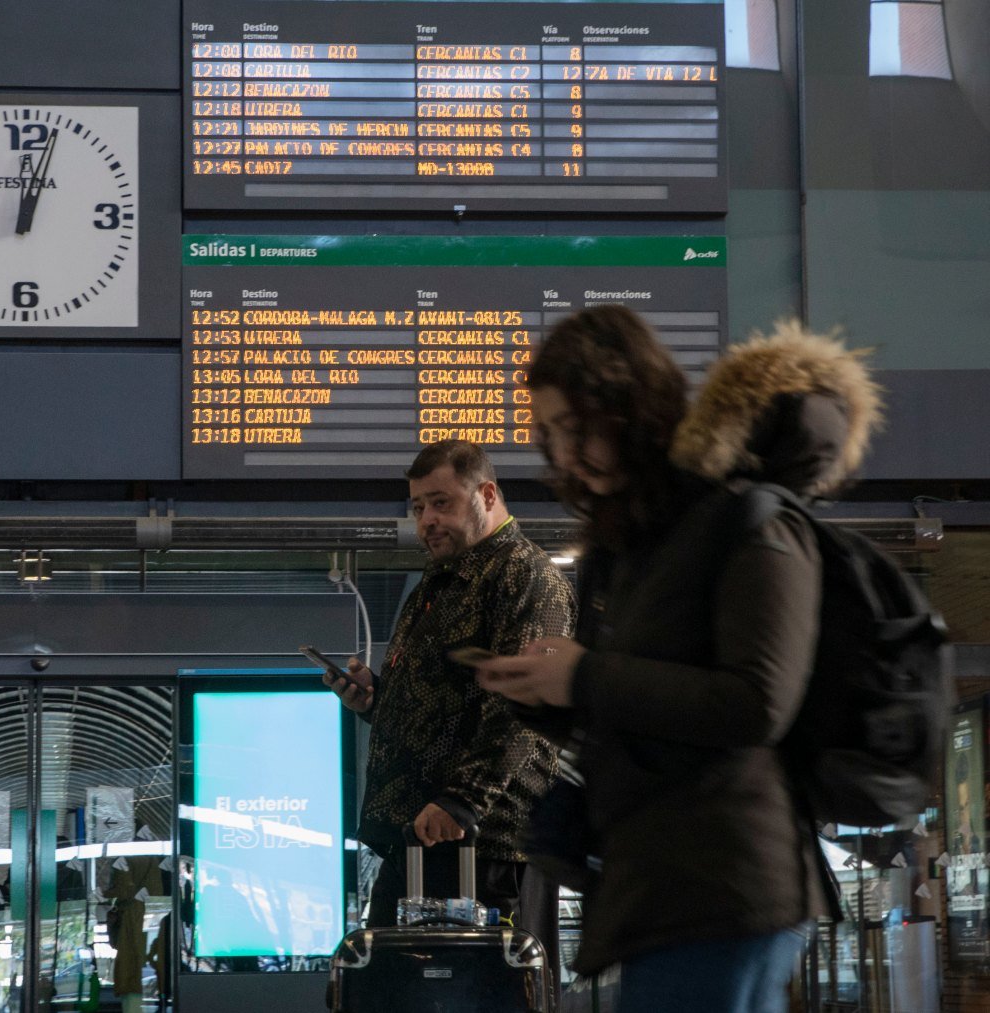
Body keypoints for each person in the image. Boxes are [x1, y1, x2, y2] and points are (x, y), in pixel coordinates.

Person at [476, 310, 863, 1012]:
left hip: (725, 885)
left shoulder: (745, 518)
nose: (564, 455)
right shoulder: (630, 546)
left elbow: (756, 702)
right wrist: (549, 696)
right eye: (550, 432)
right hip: (666, 889)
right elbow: (645, 717)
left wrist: (584, 675)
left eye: (577, 425)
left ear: (632, 405)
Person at [326, 440, 574, 959]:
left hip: (487, 844)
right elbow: (441, 705)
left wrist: (462, 800)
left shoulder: (523, 576)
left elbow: (523, 704)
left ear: (487, 494)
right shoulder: (438, 585)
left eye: (442, 503)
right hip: (419, 841)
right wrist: (374, 699)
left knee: (489, 990)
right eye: (418, 508)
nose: (427, 520)